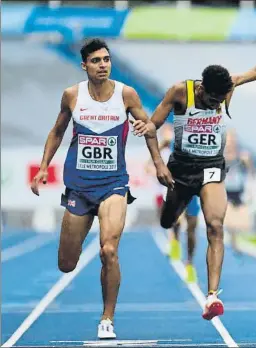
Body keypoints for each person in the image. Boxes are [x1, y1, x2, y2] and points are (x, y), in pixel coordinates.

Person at [30, 38, 172, 339]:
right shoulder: (72, 95)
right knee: (66, 264)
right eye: (96, 61)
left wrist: (159, 164)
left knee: (109, 249)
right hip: (79, 189)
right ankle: (85, 279)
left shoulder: (126, 94)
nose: (103, 65)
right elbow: (57, 131)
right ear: (84, 65)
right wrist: (44, 166)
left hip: (113, 185)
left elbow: (148, 128)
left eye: (106, 59)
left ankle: (107, 318)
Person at [132, 56, 256, 321]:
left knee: (215, 225)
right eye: (213, 101)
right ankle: (169, 219)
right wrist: (158, 164)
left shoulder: (225, 89)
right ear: (202, 90)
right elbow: (153, 125)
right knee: (168, 220)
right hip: (181, 169)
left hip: (211, 167)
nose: (217, 105)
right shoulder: (181, 91)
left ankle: (212, 295)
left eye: (220, 101)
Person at [145, 123, 201, 283]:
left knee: (192, 228)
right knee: (175, 220)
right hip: (172, 191)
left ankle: (190, 263)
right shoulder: (163, 150)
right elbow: (148, 166)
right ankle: (174, 239)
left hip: (191, 190)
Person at [224, 129, 256, 253]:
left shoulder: (242, 156)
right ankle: (231, 240)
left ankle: (234, 240)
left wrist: (249, 163)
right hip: (224, 191)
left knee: (244, 225)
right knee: (229, 220)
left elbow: (252, 173)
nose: (230, 143)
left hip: (238, 191)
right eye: (228, 141)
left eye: (232, 140)